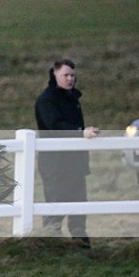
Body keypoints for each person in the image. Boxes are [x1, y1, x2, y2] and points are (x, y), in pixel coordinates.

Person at [34, 59, 99, 248]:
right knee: (56, 202)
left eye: (72, 75)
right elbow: (54, 126)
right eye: (66, 75)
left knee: (79, 201)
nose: (70, 79)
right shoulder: (46, 100)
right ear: (55, 75)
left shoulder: (72, 99)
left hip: (75, 162)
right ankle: (51, 244)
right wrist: (81, 133)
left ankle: (81, 244)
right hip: (55, 163)